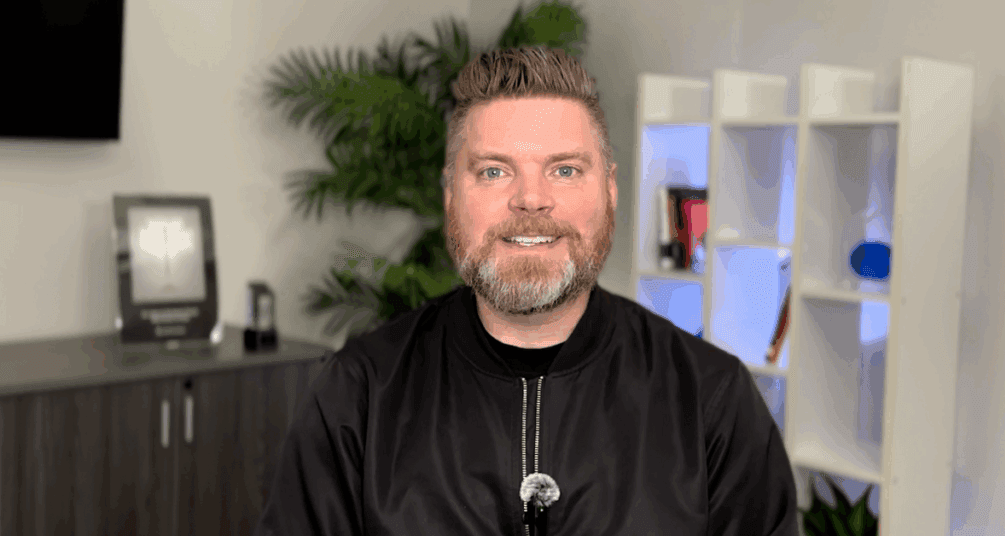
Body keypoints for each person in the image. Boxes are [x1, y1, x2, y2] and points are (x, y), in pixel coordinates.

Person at [255, 45, 798, 535]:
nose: (531, 199)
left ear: (609, 191)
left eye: (563, 170)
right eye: (494, 172)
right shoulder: (358, 395)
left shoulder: (712, 403)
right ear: (451, 196)